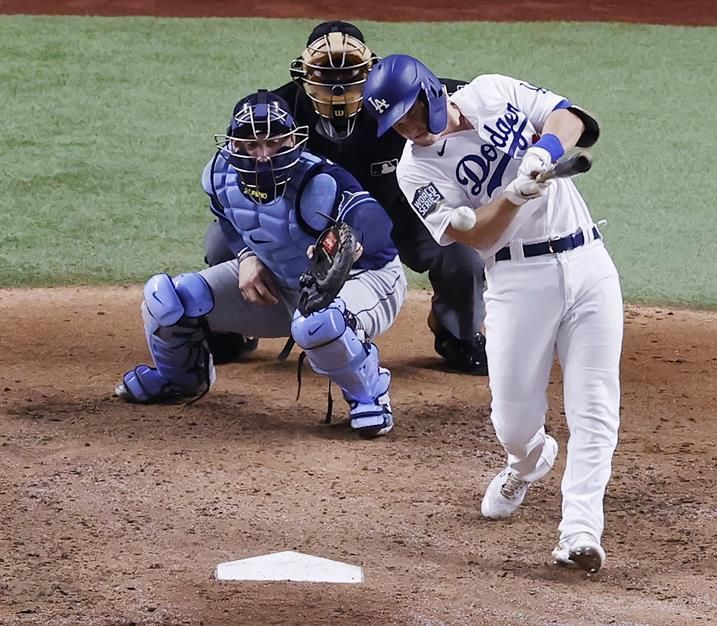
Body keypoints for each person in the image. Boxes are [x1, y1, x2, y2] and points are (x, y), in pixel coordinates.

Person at [363, 55, 623, 572]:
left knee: (594, 408)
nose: (410, 129)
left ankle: (580, 531)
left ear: (432, 92)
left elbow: (572, 120)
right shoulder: (416, 171)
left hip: (589, 263)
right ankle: (526, 463)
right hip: (518, 282)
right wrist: (512, 197)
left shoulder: (492, 91)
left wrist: (543, 151)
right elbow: (476, 236)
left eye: (412, 113)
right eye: (397, 124)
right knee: (513, 422)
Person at [115, 90, 406, 438]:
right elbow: (227, 216)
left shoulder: (320, 183)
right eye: (251, 145)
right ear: (233, 144)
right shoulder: (221, 176)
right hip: (281, 287)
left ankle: (369, 394)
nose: (263, 156)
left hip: (366, 280)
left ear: (293, 141)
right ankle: (181, 378)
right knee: (167, 298)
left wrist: (352, 241)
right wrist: (247, 255)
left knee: (317, 323)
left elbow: (376, 223)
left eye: (275, 142)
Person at [204, 21, 488, 375]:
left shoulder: (397, 95)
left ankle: (456, 334)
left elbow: (462, 95)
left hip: (406, 211)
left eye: (351, 74)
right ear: (302, 76)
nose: (337, 85)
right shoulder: (280, 114)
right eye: (323, 75)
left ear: (373, 72)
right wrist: (248, 253)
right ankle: (238, 329)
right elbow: (238, 175)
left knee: (459, 249)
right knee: (221, 242)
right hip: (308, 225)